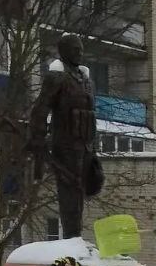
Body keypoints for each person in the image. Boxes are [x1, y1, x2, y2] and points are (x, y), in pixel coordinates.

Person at [27, 34, 101, 239]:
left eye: (81, 49)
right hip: (66, 146)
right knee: (69, 193)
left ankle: (75, 238)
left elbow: (91, 114)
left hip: (85, 145)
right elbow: (40, 110)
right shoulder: (57, 78)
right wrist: (38, 138)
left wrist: (93, 147)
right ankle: (71, 238)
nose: (80, 53)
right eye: (75, 49)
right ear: (63, 51)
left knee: (81, 192)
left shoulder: (86, 80)